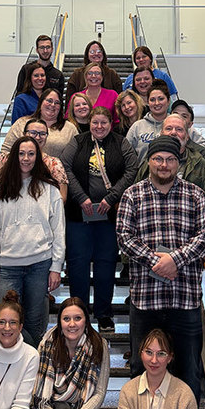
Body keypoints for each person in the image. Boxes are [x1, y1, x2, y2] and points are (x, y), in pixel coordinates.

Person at [116, 135, 205, 409]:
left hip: (184, 298)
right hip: (145, 299)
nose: (163, 165)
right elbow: (124, 237)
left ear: (178, 162)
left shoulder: (195, 195)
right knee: (139, 372)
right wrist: (156, 261)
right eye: (158, 159)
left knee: (188, 370)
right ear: (149, 161)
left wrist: (176, 259)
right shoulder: (132, 195)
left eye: (169, 160)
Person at [61, 106, 137, 332]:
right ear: (90, 123)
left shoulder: (121, 142)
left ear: (111, 123)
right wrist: (80, 196)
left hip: (109, 216)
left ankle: (104, 314)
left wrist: (112, 197)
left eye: (104, 123)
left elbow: (132, 169)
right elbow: (65, 167)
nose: (99, 127)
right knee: (77, 267)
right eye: (95, 123)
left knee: (105, 267)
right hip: (78, 216)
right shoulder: (78, 141)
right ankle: (78, 315)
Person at [0, 136, 65, 346]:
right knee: (6, 324)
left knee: (34, 324)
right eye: (21, 153)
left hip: (40, 265)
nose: (26, 158)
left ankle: (32, 368)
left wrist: (56, 267)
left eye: (31, 154)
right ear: (14, 156)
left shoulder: (50, 189)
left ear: (38, 157)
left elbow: (59, 231)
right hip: (7, 267)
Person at [135, 114, 205, 261]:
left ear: (187, 136)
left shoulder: (201, 165)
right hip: (151, 250)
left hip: (189, 249)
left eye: (179, 129)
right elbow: (134, 210)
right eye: (169, 128)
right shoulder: (147, 165)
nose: (173, 132)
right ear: (161, 133)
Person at [0, 118, 69, 203]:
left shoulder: (54, 164)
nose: (38, 137)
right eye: (33, 133)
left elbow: (62, 197)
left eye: (42, 134)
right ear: (24, 134)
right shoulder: (5, 159)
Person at [1, 89, 78, 160]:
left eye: (57, 103)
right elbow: (6, 151)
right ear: (41, 103)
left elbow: (76, 157)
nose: (53, 105)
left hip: (56, 172)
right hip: (22, 172)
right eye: (49, 101)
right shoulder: (21, 123)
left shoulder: (70, 128)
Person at [126, 80, 171, 163]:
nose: (156, 103)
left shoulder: (178, 124)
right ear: (148, 102)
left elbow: (200, 146)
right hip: (143, 175)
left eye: (161, 99)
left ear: (168, 101)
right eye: (152, 100)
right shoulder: (137, 126)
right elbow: (126, 155)